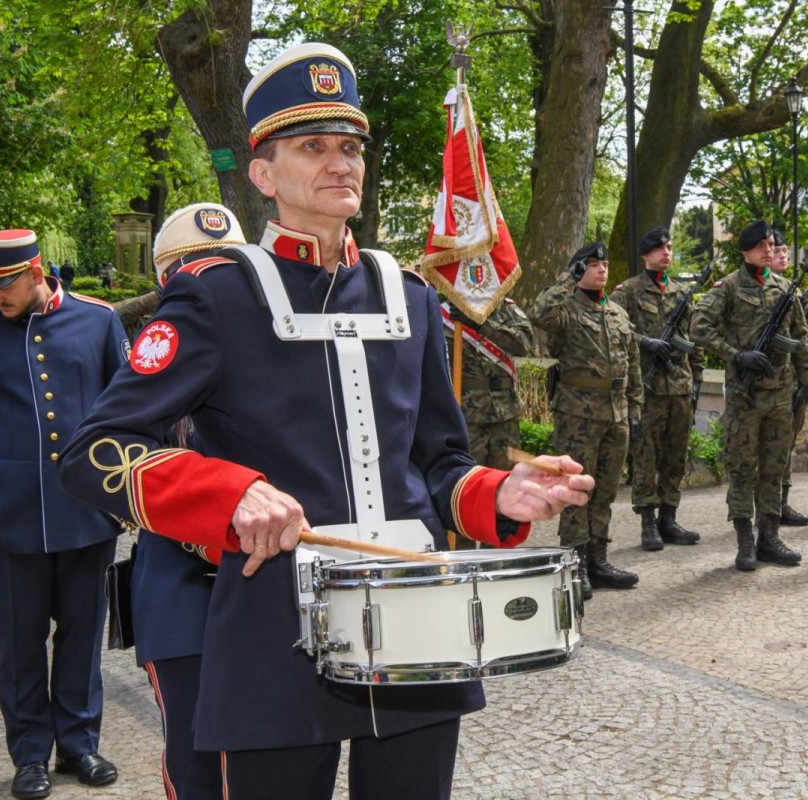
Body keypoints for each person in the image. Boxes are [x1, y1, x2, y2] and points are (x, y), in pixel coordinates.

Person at [59, 43, 593, 800]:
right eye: (314, 147)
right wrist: (228, 494)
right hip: (274, 628)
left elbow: (436, 463)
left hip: (419, 628)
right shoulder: (217, 296)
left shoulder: (409, 297)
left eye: (349, 147)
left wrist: (499, 495)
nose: (341, 163)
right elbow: (96, 450)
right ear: (264, 175)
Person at [0, 229, 126, 799]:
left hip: (85, 507)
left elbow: (124, 408)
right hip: (8, 512)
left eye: (2, 286)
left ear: (35, 271)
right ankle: (30, 753)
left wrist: (126, 483)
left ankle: (80, 745)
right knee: (20, 642)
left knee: (82, 635)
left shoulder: (99, 321)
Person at [129, 202, 246, 799]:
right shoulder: (152, 355)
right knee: (196, 756)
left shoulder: (269, 351)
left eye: (223, 268)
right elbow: (116, 466)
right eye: (189, 270)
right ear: (164, 280)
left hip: (262, 584)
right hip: (182, 587)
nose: (207, 282)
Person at [691, 220, 808, 571]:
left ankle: (770, 537)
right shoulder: (728, 286)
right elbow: (699, 326)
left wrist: (805, 379)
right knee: (742, 469)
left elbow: (801, 335)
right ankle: (745, 541)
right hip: (746, 395)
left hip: (780, 394)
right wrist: (735, 354)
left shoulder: (785, 289)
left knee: (774, 468)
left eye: (771, 245)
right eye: (761, 246)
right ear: (745, 251)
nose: (769, 250)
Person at [532, 242, 642, 596]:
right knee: (574, 491)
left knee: (605, 491)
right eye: (593, 264)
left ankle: (598, 559)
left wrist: (635, 408)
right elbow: (539, 313)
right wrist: (568, 278)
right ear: (580, 270)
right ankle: (575, 566)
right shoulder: (565, 310)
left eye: (605, 264)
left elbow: (633, 364)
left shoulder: (618, 314)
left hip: (616, 414)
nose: (602, 270)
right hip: (579, 415)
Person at [610, 226, 703, 551]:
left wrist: (698, 379)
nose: (667, 252)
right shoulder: (629, 291)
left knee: (675, 455)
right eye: (660, 247)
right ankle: (648, 522)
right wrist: (644, 341)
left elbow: (693, 340)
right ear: (646, 253)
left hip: (679, 385)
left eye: (670, 247)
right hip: (647, 387)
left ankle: (669, 518)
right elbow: (611, 326)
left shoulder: (681, 293)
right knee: (647, 455)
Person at [443, 295, 535, 550]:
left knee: (505, 487)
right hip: (463, 415)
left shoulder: (506, 309)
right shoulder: (442, 311)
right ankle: (461, 562)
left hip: (504, 415)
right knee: (466, 488)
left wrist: (482, 325)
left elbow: (525, 344)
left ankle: (498, 560)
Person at [766, 230, 808, 526]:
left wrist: (806, 378)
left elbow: (804, 336)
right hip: (765, 380)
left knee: (786, 443)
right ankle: (767, 506)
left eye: (785, 250)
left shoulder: (792, 292)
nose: (783, 255)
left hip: (791, 379)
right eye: (777, 250)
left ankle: (782, 501)